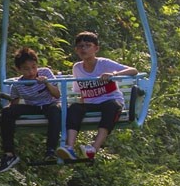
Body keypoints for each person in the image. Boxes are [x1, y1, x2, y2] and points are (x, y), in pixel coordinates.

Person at [57, 31, 137, 161]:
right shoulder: (77, 68)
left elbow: (133, 70)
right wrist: (79, 106)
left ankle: (94, 148)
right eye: (80, 46)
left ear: (96, 48)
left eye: (88, 45)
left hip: (109, 101)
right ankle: (69, 148)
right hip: (91, 103)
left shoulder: (103, 63)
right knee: (75, 108)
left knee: (111, 107)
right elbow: (81, 91)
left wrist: (114, 74)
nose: (84, 49)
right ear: (76, 50)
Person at [0, 47, 62, 172]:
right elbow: (14, 103)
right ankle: (9, 153)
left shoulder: (46, 73)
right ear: (19, 69)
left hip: (49, 105)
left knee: (55, 111)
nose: (31, 72)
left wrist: (47, 83)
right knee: (6, 112)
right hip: (33, 107)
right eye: (26, 69)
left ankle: (50, 150)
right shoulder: (18, 84)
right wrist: (6, 114)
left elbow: (57, 95)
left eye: (33, 67)